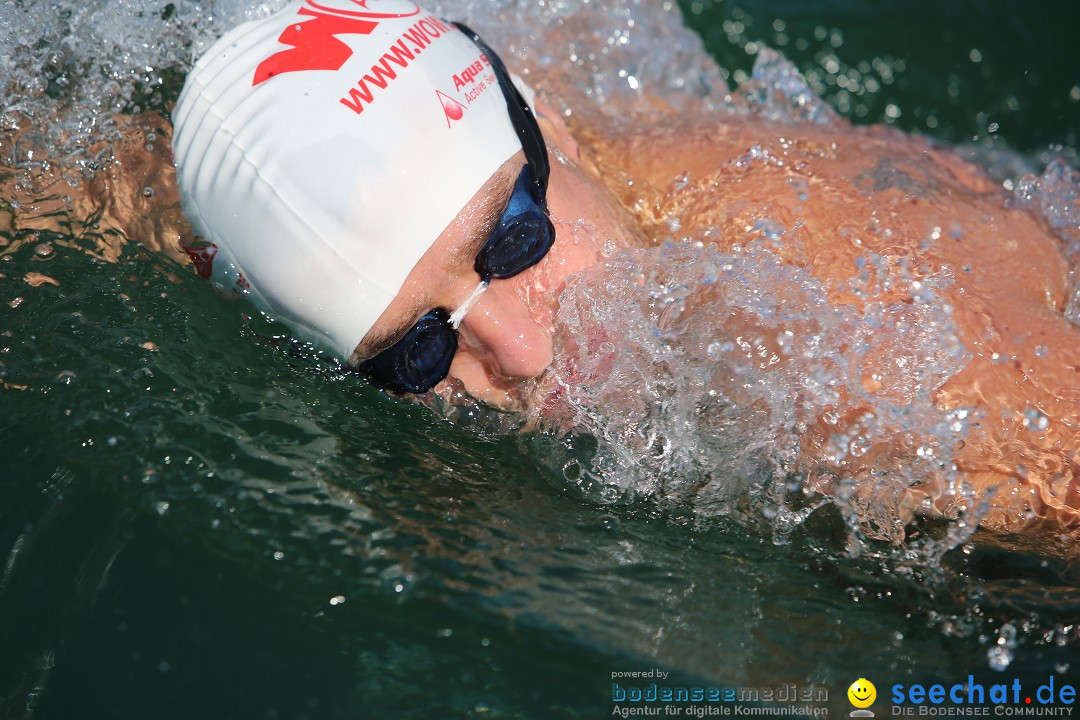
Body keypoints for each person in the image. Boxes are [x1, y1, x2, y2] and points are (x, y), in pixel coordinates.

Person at [6, 0, 1078, 536]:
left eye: (511, 241)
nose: (517, 351)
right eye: (419, 349)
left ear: (547, 119)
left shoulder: (883, 347)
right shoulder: (206, 213)